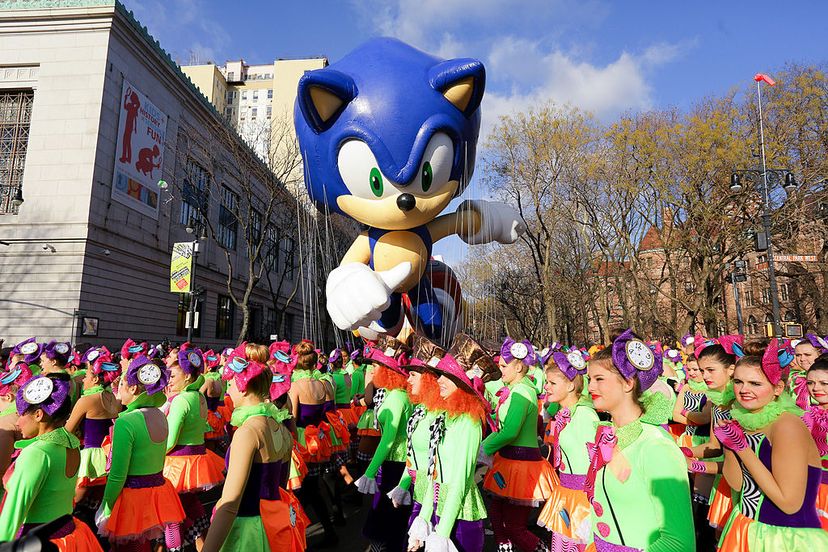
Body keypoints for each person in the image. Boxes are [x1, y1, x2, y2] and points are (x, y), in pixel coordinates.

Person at [584, 330, 694, 551]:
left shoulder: (656, 447)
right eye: (589, 379)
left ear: (627, 383)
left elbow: (679, 543)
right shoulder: (610, 437)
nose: (590, 388)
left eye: (599, 379)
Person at [717, 339, 828, 550]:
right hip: (745, 527)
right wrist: (729, 445)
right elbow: (738, 485)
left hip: (784, 537)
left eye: (755, 383)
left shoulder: (787, 425)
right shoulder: (745, 418)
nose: (743, 389)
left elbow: (789, 504)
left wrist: (741, 447)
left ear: (777, 388)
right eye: (738, 382)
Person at [203, 349, 309, 551]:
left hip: (248, 532)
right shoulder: (281, 429)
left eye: (232, 384)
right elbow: (280, 487)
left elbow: (230, 504)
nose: (229, 390)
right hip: (274, 528)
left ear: (243, 388)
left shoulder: (248, 432)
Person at [409, 334, 499, 552]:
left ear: (461, 383)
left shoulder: (470, 423)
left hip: (460, 519)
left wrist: (442, 534)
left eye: (446, 376)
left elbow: (459, 481)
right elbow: (435, 475)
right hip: (443, 513)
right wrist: (422, 521)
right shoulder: (447, 417)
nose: (438, 380)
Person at [0, 373, 102, 549]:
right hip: (69, 536)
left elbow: (14, 511)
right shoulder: (71, 443)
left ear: (39, 415)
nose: (18, 421)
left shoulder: (37, 452)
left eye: (21, 414)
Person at [95, 355, 185, 550]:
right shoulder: (160, 415)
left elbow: (118, 475)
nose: (117, 390)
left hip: (131, 499)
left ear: (133, 388)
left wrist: (107, 505)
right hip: (156, 494)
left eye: (121, 385)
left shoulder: (125, 422)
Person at [480, 338, 558, 552]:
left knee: (514, 526)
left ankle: (542, 550)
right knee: (497, 517)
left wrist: (484, 448)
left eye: (504, 365)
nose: (500, 369)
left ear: (518, 367)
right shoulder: (515, 389)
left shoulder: (523, 391)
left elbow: (511, 431)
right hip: (507, 463)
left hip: (521, 467)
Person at [355, 337, 413, 552]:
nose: (371, 372)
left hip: (396, 467)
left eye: (376, 366)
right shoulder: (391, 394)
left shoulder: (397, 397)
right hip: (392, 465)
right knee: (386, 523)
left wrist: (368, 473)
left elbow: (388, 441)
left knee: (387, 524)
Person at [163, 346, 226, 549]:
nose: (169, 380)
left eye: (173, 376)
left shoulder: (182, 400)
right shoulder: (198, 397)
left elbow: (170, 440)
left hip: (178, 465)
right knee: (192, 510)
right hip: (196, 462)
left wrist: (152, 455)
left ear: (188, 376)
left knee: (173, 518)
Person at [536, 349, 598, 551]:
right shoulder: (565, 414)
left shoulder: (586, 415)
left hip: (582, 498)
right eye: (547, 382)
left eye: (553, 383)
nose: (546, 387)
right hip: (565, 493)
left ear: (571, 385)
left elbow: (596, 463)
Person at [386, 336, 445, 524]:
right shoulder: (420, 410)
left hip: (437, 504)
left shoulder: (442, 416)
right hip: (420, 496)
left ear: (428, 379)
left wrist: (425, 515)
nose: (408, 380)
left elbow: (440, 471)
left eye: (413, 375)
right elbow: (413, 457)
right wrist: (403, 486)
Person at [683, 336, 740, 532]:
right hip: (720, 478)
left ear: (730, 369)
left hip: (741, 484)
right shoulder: (716, 404)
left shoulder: (742, 406)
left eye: (710, 370)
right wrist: (683, 452)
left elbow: (740, 462)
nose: (704, 376)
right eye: (701, 370)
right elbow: (714, 447)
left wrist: (696, 464)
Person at [289, 340, 339, 546]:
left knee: (301, 491)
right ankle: (328, 530)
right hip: (318, 438)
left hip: (301, 439)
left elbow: (292, 417)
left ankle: (297, 535)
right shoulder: (322, 384)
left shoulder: (296, 386)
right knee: (312, 488)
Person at [65, 348, 122, 514]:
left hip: (90, 456)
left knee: (74, 502)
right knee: (97, 503)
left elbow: (67, 431)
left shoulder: (87, 400)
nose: (83, 379)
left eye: (88, 375)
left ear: (96, 378)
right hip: (108, 454)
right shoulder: (111, 397)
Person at [670, 354, 714, 547]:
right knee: (686, 484)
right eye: (690, 370)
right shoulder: (686, 388)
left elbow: (705, 419)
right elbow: (673, 413)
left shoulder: (711, 391)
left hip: (704, 440)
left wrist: (685, 414)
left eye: (697, 370)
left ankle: (702, 533)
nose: (694, 373)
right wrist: (692, 417)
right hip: (687, 439)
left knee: (701, 490)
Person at [0, 361, 33, 497]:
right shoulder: (30, 414)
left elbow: (1, 468)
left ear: (8, 397)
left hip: (8, 492)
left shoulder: (6, 423)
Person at [804, 355, 828, 530]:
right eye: (810, 383)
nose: (816, 388)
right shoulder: (804, 415)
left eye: (823, 383)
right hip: (810, 487)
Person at [791, 335, 826, 409]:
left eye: (807, 354)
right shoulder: (794, 378)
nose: (802, 359)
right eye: (798, 355)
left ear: (820, 354)